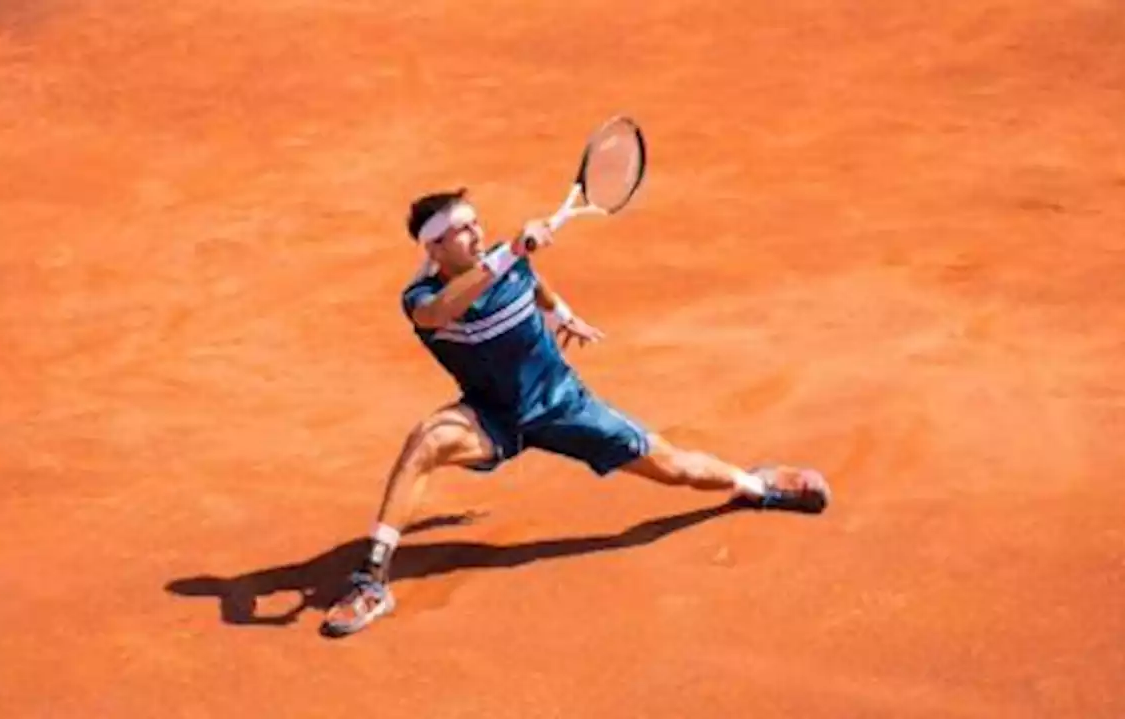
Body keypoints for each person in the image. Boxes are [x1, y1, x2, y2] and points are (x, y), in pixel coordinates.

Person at [322, 188, 831, 637]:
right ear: (434, 248)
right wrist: (509, 255)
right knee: (426, 440)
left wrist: (561, 314)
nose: (475, 233)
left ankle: (756, 485)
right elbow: (443, 311)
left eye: (476, 222)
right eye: (460, 230)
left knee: (675, 468)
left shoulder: (509, 259)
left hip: (562, 403)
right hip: (492, 416)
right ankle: (371, 581)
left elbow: (532, 281)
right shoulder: (422, 297)